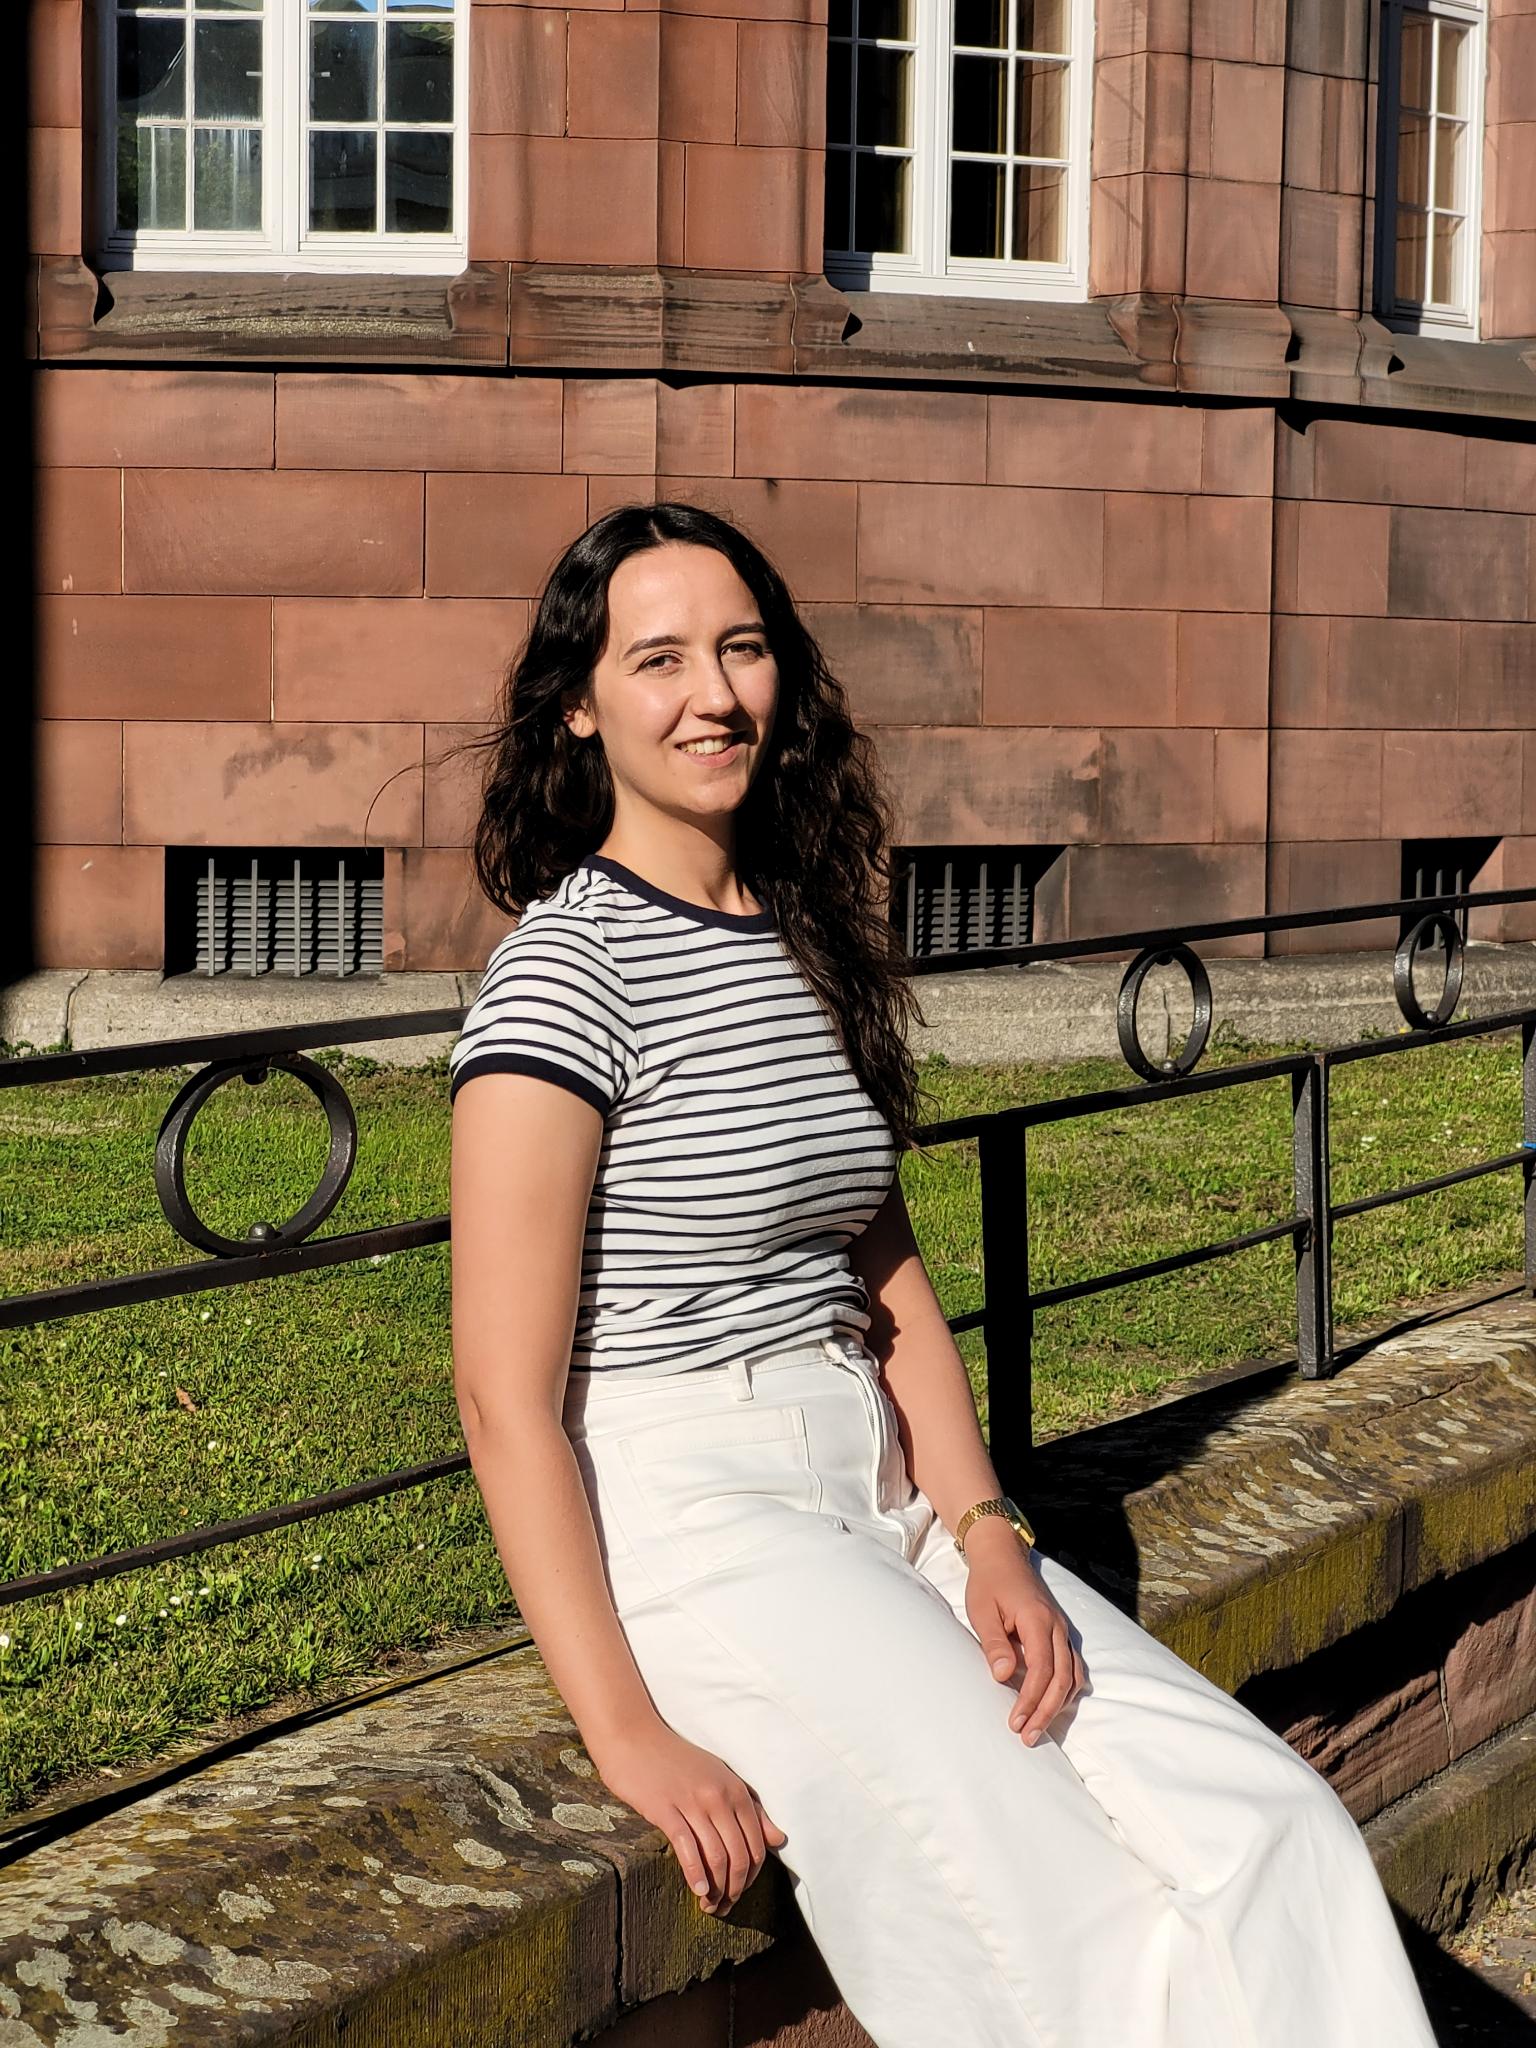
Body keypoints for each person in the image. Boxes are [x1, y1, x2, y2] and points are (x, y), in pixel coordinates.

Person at [447, 501, 1439, 2047]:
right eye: (657, 659)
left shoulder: (794, 935)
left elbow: (881, 1253)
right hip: (705, 1519)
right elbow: (505, 1400)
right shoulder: (562, 975)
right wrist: (629, 1733)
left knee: (1272, 1823)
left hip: (885, 1489)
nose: (713, 694)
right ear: (581, 705)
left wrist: (983, 1528)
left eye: (742, 647)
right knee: (1061, 1925)